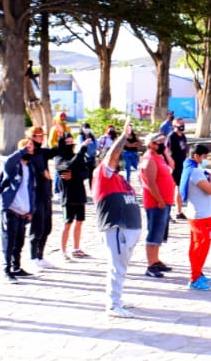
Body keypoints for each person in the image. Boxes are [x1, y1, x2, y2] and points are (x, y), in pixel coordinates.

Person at [93, 118, 142, 315]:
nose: (119, 159)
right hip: (116, 228)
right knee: (116, 266)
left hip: (128, 228)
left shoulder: (120, 179)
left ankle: (117, 298)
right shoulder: (102, 175)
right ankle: (113, 304)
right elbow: (112, 156)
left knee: (121, 266)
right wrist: (123, 137)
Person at [0, 137, 37, 282]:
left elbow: (31, 190)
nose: (30, 150)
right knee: (9, 240)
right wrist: (22, 150)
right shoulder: (14, 166)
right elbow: (7, 162)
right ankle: (7, 269)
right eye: (27, 147)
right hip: (11, 210)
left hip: (24, 211)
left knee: (19, 242)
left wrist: (31, 209)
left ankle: (16, 266)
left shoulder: (30, 167)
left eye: (31, 147)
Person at [180, 143, 211, 289]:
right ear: (196, 156)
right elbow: (210, 190)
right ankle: (195, 277)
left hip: (200, 214)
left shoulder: (192, 169)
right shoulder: (196, 172)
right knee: (200, 247)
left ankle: (198, 272)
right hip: (201, 216)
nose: (206, 160)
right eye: (204, 157)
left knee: (198, 246)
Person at [24, 124, 59, 271]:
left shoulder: (42, 153)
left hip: (46, 193)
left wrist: (60, 135)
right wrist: (40, 175)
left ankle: (41, 255)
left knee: (46, 226)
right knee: (36, 227)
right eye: (39, 136)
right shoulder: (28, 153)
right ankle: (33, 256)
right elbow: (27, 172)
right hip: (34, 194)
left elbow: (57, 151)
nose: (41, 139)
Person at [141, 133, 176, 278]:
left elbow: (172, 167)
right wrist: (159, 199)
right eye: (159, 142)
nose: (162, 144)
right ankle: (150, 265)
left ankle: (156, 260)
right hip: (156, 203)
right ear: (151, 144)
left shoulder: (159, 157)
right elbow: (150, 183)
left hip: (165, 201)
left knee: (160, 234)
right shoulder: (149, 160)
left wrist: (166, 154)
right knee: (154, 233)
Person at [56, 128, 94, 260]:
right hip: (68, 195)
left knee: (79, 222)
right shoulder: (59, 158)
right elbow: (66, 168)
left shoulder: (76, 156)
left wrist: (74, 175)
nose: (71, 144)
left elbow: (85, 172)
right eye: (68, 142)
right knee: (67, 223)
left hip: (79, 193)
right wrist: (82, 150)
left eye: (72, 142)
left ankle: (76, 248)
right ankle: (63, 250)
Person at [167, 118, 189, 216]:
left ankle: (179, 210)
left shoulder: (183, 136)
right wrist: (170, 165)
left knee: (180, 188)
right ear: (174, 125)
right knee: (174, 188)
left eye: (183, 123)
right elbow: (167, 151)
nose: (182, 125)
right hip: (175, 166)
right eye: (180, 124)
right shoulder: (172, 136)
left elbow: (185, 149)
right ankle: (174, 211)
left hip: (183, 165)